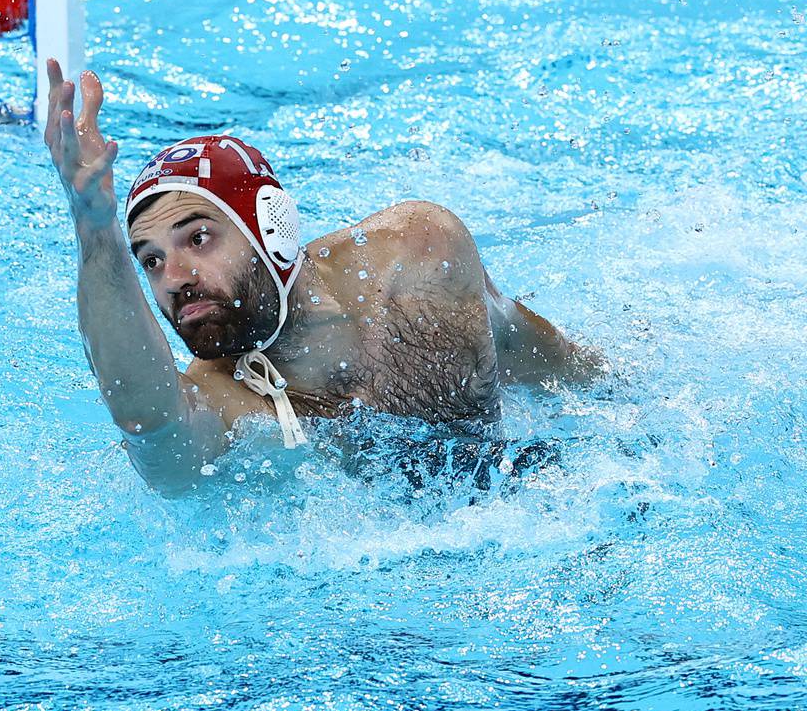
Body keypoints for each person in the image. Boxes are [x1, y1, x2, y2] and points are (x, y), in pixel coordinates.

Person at [42, 61, 605, 490]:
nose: (175, 278)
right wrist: (96, 230)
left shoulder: (417, 257)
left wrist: (625, 398)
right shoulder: (225, 399)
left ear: (271, 228)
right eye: (151, 260)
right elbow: (153, 432)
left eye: (198, 238)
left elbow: (520, 342)